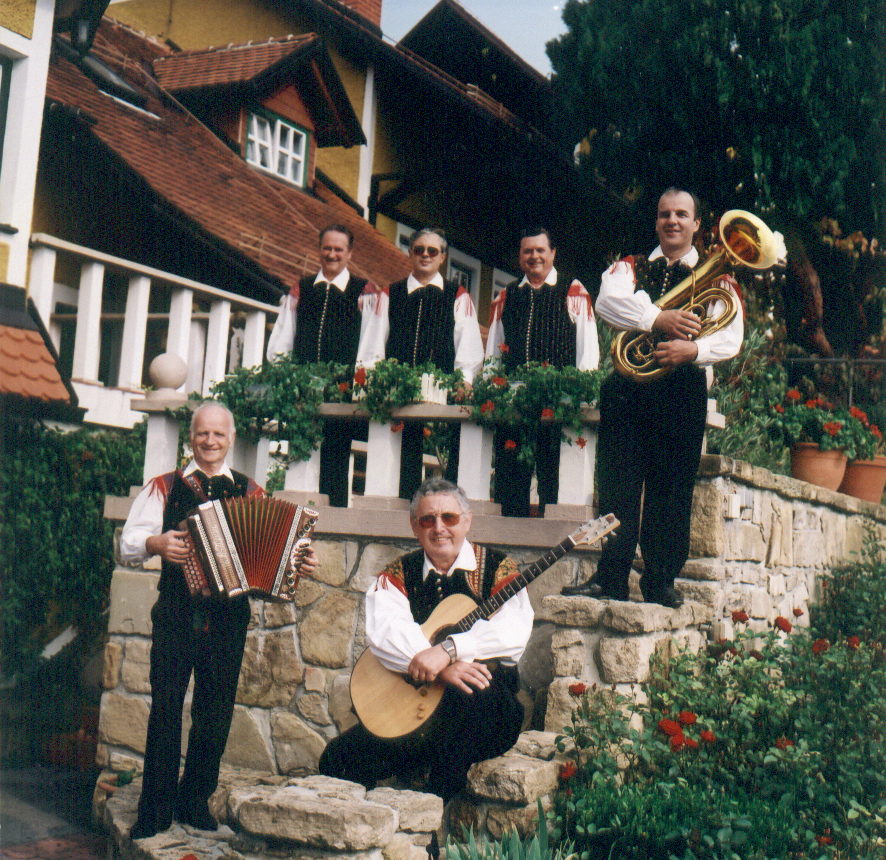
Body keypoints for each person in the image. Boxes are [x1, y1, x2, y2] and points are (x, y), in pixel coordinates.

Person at [120, 402, 318, 839]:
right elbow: (128, 542)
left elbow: (278, 553)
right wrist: (155, 543)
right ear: (191, 438)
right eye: (202, 433)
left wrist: (299, 562)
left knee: (215, 713)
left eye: (218, 434)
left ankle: (194, 802)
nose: (209, 441)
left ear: (231, 439)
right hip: (175, 613)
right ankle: (154, 811)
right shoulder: (164, 486)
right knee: (166, 710)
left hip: (229, 619)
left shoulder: (251, 492)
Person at [563, 188, 743, 608]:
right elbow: (607, 303)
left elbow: (731, 337)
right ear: (657, 221)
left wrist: (692, 350)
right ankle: (610, 576)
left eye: (681, 214)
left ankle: (660, 580)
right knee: (617, 486)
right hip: (628, 390)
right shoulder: (630, 267)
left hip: (682, 389)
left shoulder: (720, 279)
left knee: (672, 487)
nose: (672, 221)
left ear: (696, 224)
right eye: (665, 214)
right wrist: (658, 318)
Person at [318, 477, 532, 802]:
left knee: (471, 703)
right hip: (418, 709)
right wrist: (440, 669)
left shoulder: (497, 568)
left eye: (449, 517)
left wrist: (451, 650)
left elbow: (513, 631)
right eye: (428, 519)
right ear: (414, 526)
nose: (439, 528)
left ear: (467, 520)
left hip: (482, 709)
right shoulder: (398, 574)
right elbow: (386, 632)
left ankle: (433, 812)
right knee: (338, 758)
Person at [358, 229, 485, 500]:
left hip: (443, 392)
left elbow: (468, 342)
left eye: (432, 251)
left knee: (451, 454)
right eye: (419, 249)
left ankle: (448, 507)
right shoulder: (390, 294)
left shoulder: (457, 295)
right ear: (410, 252)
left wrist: (465, 379)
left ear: (442, 257)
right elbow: (373, 344)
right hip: (399, 392)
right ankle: (403, 506)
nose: (425, 255)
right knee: (402, 460)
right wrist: (373, 379)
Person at [485, 227, 599, 517]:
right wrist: (490, 390)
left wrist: (582, 394)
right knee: (510, 482)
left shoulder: (573, 291)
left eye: (540, 250)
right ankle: (508, 536)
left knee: (554, 482)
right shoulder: (507, 295)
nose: (534, 256)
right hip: (514, 405)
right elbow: (494, 352)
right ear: (520, 256)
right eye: (527, 251)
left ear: (553, 253)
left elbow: (587, 350)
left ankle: (553, 538)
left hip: (558, 404)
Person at [266, 224, 381, 507]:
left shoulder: (363, 292)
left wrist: (360, 382)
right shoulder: (302, 289)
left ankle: (334, 516)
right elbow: (283, 339)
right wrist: (284, 376)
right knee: (299, 457)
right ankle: (295, 516)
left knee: (335, 458)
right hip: (302, 389)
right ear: (319, 250)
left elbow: (371, 342)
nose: (331, 254)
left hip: (340, 390)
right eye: (326, 248)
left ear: (349, 253)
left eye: (338, 249)